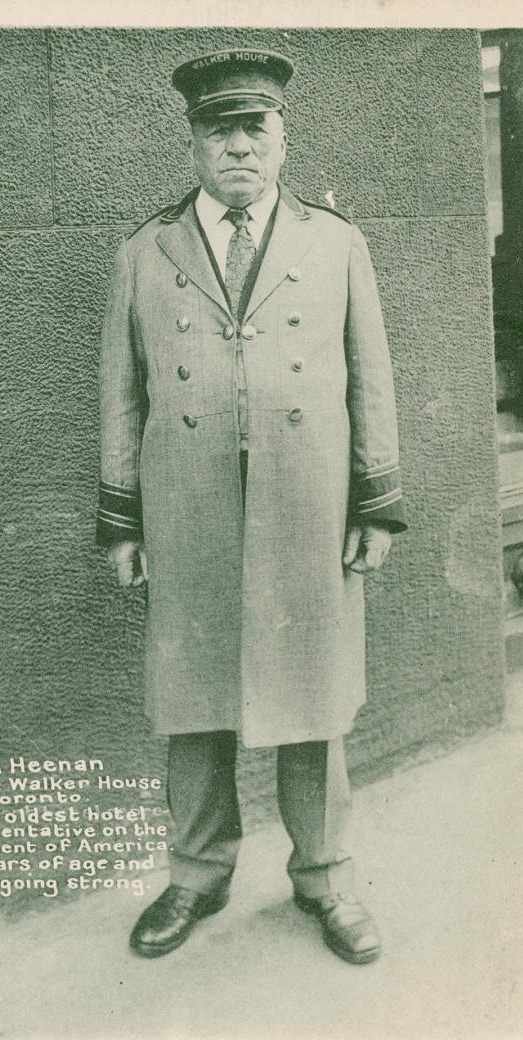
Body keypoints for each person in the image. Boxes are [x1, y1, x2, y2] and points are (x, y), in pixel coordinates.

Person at [96, 48, 406, 964]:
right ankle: (196, 873)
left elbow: (370, 376)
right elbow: (122, 394)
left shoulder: (335, 242)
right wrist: (124, 520)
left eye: (253, 128)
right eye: (216, 130)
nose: (236, 148)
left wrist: (375, 503)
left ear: (282, 137)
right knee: (192, 700)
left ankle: (327, 876)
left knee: (312, 695)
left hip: (305, 502)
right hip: (185, 505)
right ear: (192, 142)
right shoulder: (144, 250)